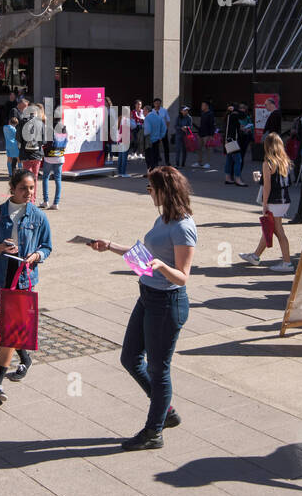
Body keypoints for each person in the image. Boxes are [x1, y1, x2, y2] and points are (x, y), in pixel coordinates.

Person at [88, 166, 196, 451]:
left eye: (151, 188)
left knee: (159, 369)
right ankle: (165, 411)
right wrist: (108, 246)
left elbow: (183, 275)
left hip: (168, 303)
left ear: (165, 190)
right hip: (148, 296)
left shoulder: (183, 226)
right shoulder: (164, 217)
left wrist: (163, 266)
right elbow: (144, 255)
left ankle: (154, 430)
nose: (148, 192)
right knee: (130, 357)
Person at [0, 169, 52, 402]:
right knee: (9, 324)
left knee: (10, 328)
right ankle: (25, 359)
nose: (29, 193)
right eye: (23, 188)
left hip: (22, 275)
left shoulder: (38, 216)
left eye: (31, 188)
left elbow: (47, 246)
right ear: (12, 188)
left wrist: (37, 255)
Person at [239, 133, 295, 271]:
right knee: (270, 228)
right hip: (284, 200)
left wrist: (264, 205)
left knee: (277, 230)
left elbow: (267, 187)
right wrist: (262, 177)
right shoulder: (285, 160)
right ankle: (255, 256)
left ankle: (287, 262)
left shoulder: (268, 162)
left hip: (274, 201)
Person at [40, 106, 67, 210]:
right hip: (60, 156)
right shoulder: (64, 127)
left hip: (49, 157)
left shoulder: (49, 128)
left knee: (45, 177)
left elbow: (45, 142)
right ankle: (56, 203)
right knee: (58, 179)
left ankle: (45, 201)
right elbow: (66, 142)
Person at [222, 104, 247, 185]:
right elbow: (243, 115)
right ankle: (237, 179)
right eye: (241, 108)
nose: (242, 110)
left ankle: (228, 178)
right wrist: (236, 109)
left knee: (229, 160)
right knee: (238, 160)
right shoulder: (233, 115)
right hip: (232, 140)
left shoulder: (229, 116)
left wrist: (240, 128)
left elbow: (232, 128)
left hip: (228, 140)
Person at [18, 102, 44, 177]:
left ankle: (28, 188)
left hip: (25, 154)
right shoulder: (40, 123)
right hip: (37, 153)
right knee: (35, 176)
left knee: (27, 176)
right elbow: (44, 141)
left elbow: (18, 138)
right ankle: (34, 189)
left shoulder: (22, 122)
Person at [144, 98, 168, 171]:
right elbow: (164, 128)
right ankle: (156, 172)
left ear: (147, 111)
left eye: (144, 111)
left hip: (149, 140)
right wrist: (161, 136)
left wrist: (143, 134)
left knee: (149, 157)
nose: (143, 112)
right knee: (155, 157)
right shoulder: (159, 117)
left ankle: (150, 172)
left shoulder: (147, 118)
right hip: (157, 140)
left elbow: (147, 131)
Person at [193, 100, 216, 169]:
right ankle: (199, 162)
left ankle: (208, 163)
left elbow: (212, 125)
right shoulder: (202, 113)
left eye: (203, 105)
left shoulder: (210, 114)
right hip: (200, 133)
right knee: (199, 148)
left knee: (208, 148)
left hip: (207, 134)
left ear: (207, 106)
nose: (201, 107)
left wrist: (211, 135)